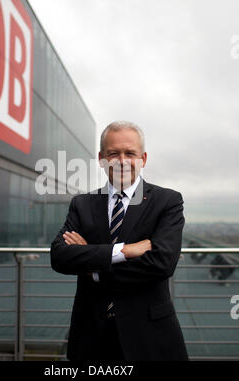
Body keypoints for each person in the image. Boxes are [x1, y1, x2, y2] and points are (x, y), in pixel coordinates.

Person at [50, 121, 188, 361]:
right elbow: (59, 256)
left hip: (150, 335)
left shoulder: (168, 202)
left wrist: (92, 266)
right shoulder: (82, 204)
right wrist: (124, 251)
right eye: (113, 153)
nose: (122, 160)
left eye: (130, 153)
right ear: (102, 158)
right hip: (91, 335)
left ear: (143, 158)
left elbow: (162, 263)